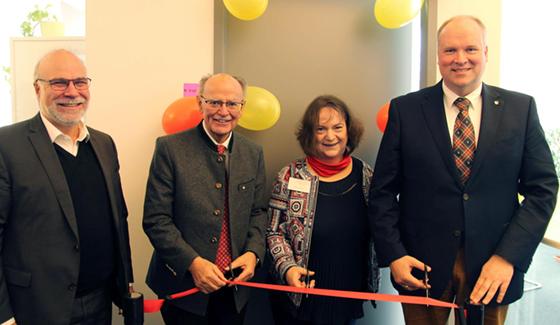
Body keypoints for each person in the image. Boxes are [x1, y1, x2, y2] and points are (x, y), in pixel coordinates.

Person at [369, 15, 558, 325]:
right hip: (421, 268)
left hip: (492, 268)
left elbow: (543, 190)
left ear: (485, 53)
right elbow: (383, 193)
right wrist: (394, 255)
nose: (460, 59)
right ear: (439, 56)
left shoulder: (520, 109)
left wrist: (508, 257)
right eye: (450, 51)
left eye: (470, 49)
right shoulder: (406, 110)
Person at [0, 49, 135, 324]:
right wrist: (4, 314)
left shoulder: (103, 144)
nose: (72, 91)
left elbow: (118, 220)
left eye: (80, 82)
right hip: (36, 308)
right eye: (59, 82)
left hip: (100, 302)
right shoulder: (7, 146)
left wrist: (125, 284)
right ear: (38, 88)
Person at [143, 73, 267, 324]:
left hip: (235, 289)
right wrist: (193, 263)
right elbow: (156, 220)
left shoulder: (253, 152)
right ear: (200, 103)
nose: (223, 111)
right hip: (183, 287)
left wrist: (254, 253)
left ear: (242, 108)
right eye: (214, 102)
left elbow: (258, 212)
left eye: (232, 103)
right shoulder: (170, 149)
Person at [267, 95, 379, 325]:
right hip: (299, 294)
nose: (330, 136)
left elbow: (381, 221)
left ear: (348, 130)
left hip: (348, 291)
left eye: (337, 127)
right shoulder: (290, 175)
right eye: (321, 129)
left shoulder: (365, 173)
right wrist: (287, 269)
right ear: (310, 134)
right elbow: (273, 232)